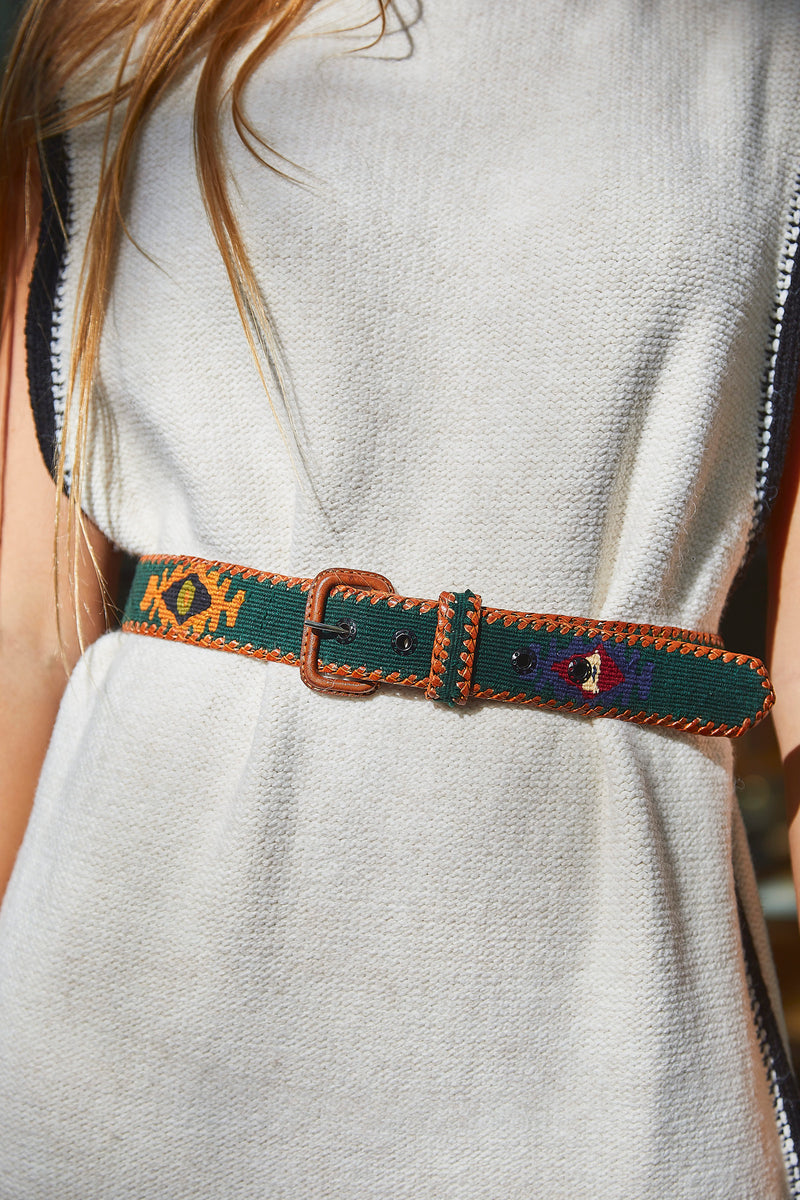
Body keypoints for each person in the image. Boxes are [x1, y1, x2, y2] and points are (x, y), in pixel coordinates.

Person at [2, 0, 800, 1195]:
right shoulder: (114, 31)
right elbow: (28, 629)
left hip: (612, 1038)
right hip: (114, 1017)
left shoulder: (766, 55)